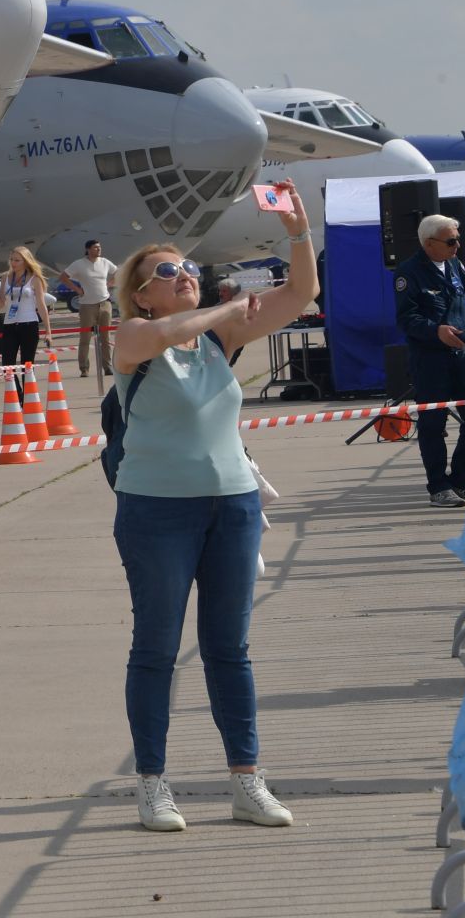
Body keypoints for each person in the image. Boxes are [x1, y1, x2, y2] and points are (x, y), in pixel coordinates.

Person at [108, 178, 315, 833]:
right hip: (156, 511)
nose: (184, 276)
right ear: (141, 293)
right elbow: (169, 332)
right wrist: (222, 311)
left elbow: (302, 294)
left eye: (189, 268)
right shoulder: (133, 338)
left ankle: (245, 781)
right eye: (167, 272)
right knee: (156, 649)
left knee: (229, 649)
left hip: (232, 507)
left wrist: (298, 232)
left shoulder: (219, 341)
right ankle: (152, 784)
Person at [395, 213, 465, 508]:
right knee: (432, 424)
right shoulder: (408, 273)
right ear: (430, 244)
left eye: (458, 239)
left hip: (463, 355)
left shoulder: (453, 263)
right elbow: (406, 318)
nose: (457, 245)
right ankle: (438, 486)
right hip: (430, 360)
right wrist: (435, 331)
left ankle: (462, 478)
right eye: (451, 240)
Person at [58, 240, 118, 379]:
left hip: (104, 304)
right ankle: (84, 368)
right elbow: (63, 277)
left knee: (105, 338)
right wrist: (77, 289)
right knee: (85, 338)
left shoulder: (104, 262)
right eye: (95, 248)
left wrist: (110, 283)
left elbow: (118, 272)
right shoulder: (79, 264)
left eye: (99, 247)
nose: (98, 250)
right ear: (88, 249)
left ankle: (107, 367)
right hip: (87, 306)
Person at [0, 246, 55, 369]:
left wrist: (48, 332)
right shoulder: (6, 277)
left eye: (17, 260)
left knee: (27, 364)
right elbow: (0, 304)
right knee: (7, 365)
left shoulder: (34, 278)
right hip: (9, 324)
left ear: (25, 261)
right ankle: (16, 389)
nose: (13, 263)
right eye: (11, 260)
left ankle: (28, 389)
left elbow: (41, 305)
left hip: (29, 324)